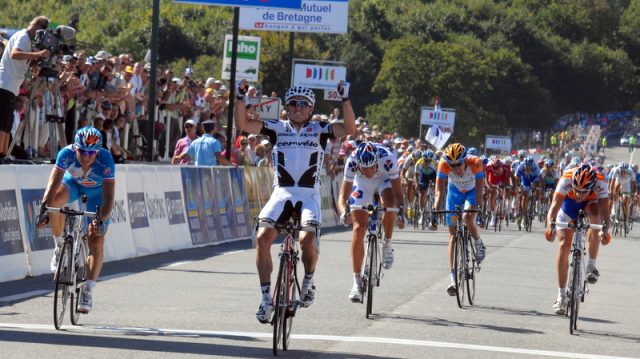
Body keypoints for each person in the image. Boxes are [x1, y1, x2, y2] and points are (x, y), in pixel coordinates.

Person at [235, 79, 355, 323]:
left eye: (304, 104)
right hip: (282, 193)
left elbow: (349, 128)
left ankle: (309, 280)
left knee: (307, 239)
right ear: (286, 108)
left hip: (308, 194)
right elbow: (243, 123)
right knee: (261, 238)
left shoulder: (320, 129)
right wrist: (240, 98)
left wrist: (345, 99)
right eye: (293, 104)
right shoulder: (275, 127)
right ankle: (266, 298)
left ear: (310, 109)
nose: (298, 108)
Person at [36, 127, 115, 314]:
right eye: (82, 151)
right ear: (75, 148)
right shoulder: (66, 154)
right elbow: (52, 184)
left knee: (96, 238)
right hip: (72, 185)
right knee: (54, 200)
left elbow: (109, 198)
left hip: (97, 194)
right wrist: (44, 209)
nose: (86, 157)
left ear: (98, 152)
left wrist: (100, 220)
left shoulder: (106, 160)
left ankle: (87, 289)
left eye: (91, 153)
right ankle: (59, 246)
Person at [337, 141, 405, 302]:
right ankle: (356, 281)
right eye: (364, 168)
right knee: (359, 228)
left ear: (376, 162)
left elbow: (398, 193)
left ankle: (387, 244)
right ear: (358, 165)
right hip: (362, 184)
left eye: (371, 167)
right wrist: (343, 213)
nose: (368, 171)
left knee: (389, 206)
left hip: (384, 180)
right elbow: (342, 197)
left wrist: (401, 212)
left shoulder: (387, 159)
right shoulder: (352, 161)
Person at [545, 164, 611, 315]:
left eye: (584, 191)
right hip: (569, 206)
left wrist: (604, 232)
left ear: (592, 186)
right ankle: (561, 296)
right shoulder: (566, 179)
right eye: (577, 189)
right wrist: (551, 227)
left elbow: (605, 213)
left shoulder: (600, 183)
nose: (579, 194)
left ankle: (591, 266)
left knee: (595, 216)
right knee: (564, 245)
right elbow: (554, 208)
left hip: (591, 205)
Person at [429, 143, 486, 296]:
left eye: (459, 164)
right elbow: (439, 191)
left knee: (467, 216)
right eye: (452, 165)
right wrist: (434, 211)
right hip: (453, 193)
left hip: (472, 192)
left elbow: (480, 191)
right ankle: (453, 278)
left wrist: (480, 210)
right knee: (453, 235)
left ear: (465, 160)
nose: (456, 168)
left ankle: (478, 242)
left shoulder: (476, 162)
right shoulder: (443, 164)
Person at [0, 16, 51, 161]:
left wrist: (35, 62)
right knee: (3, 122)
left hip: (11, 85)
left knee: (7, 123)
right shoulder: (23, 36)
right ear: (37, 27)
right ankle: (1, 153)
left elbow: (22, 61)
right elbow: (15, 54)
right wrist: (38, 54)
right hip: (5, 83)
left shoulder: (28, 41)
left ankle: (4, 153)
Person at [484, 156, 515, 227]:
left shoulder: (505, 166)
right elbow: (486, 179)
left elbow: (511, 177)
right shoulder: (488, 166)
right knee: (492, 195)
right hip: (493, 178)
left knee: (507, 189)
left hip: (502, 178)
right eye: (494, 168)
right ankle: (493, 216)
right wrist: (489, 186)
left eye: (497, 168)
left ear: (500, 166)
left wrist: (510, 186)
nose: (495, 169)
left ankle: (507, 206)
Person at [413, 149, 437, 225]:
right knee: (422, 192)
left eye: (429, 161)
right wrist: (416, 183)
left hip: (433, 175)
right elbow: (415, 176)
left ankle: (433, 209)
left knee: (436, 190)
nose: (427, 162)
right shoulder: (418, 163)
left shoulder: (435, 164)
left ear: (432, 160)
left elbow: (439, 178)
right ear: (422, 158)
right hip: (423, 176)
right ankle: (422, 212)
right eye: (425, 160)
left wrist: (436, 186)